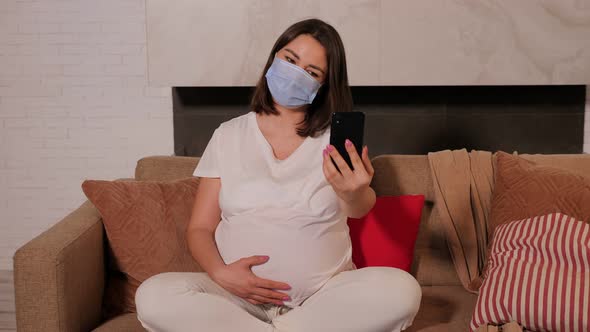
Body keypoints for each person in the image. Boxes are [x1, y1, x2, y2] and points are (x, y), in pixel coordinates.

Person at [134, 18, 421, 332]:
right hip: (234, 298)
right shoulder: (228, 135)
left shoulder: (335, 141)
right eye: (290, 60)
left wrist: (354, 191)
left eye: (312, 72)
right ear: (273, 58)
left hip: (322, 298)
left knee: (402, 291)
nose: (296, 75)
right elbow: (200, 228)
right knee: (154, 296)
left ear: (324, 85)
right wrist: (220, 272)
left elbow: (359, 206)